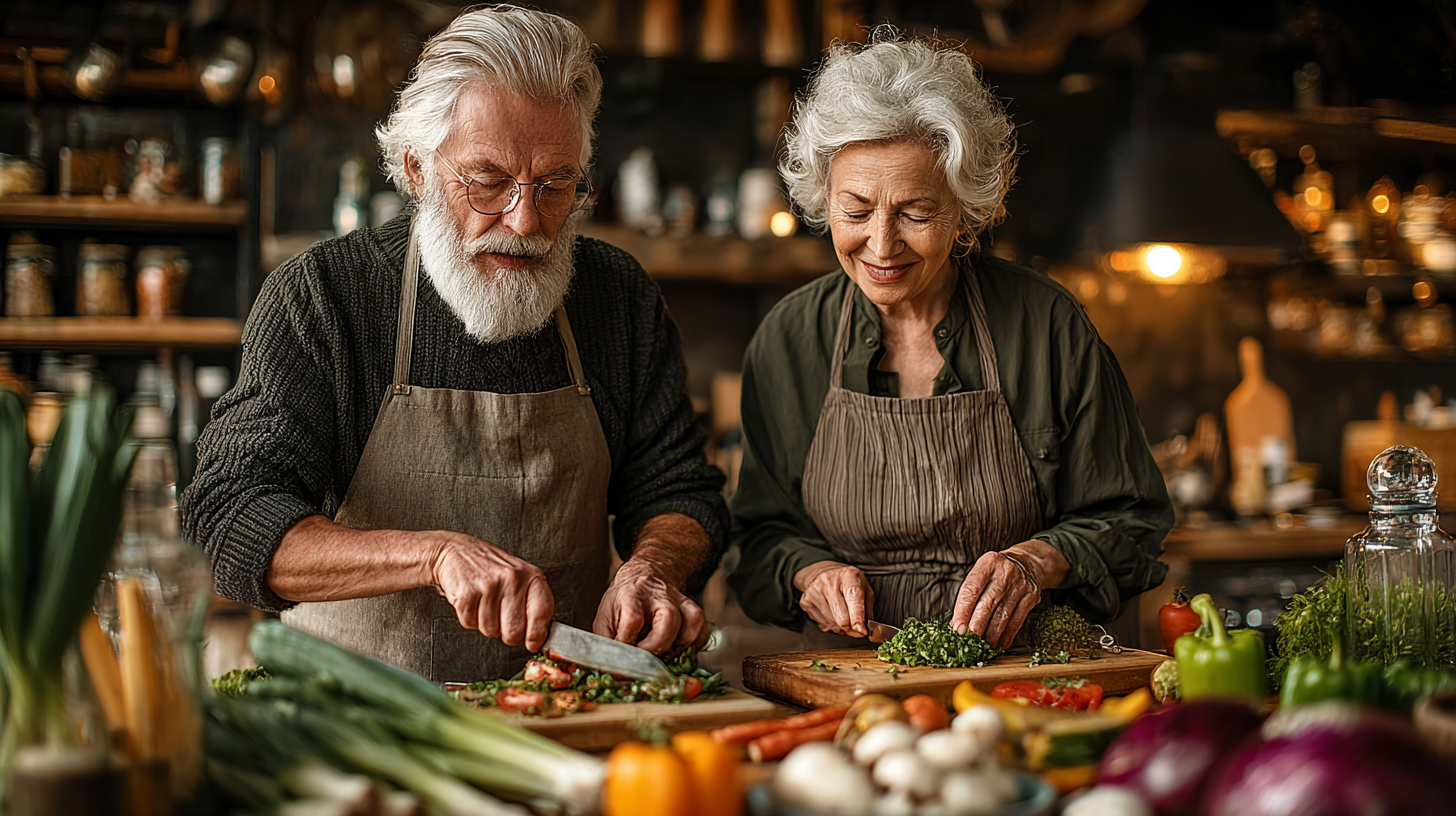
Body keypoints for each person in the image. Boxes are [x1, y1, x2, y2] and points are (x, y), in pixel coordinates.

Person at [181, 6, 727, 681]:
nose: (526, 221)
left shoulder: (617, 297)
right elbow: (229, 516)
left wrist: (653, 568)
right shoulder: (322, 297)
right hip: (355, 724)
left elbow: (679, 489)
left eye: (556, 184)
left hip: (564, 712)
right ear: (416, 169)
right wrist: (432, 555)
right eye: (489, 181)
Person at [728, 30, 1172, 650]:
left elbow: (1132, 520)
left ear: (964, 209)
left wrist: (1036, 562)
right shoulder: (790, 339)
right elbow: (760, 536)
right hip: (850, 682)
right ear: (823, 201)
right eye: (856, 212)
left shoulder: (1046, 324)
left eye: (915, 213)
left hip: (1026, 676)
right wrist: (811, 571)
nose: (882, 246)